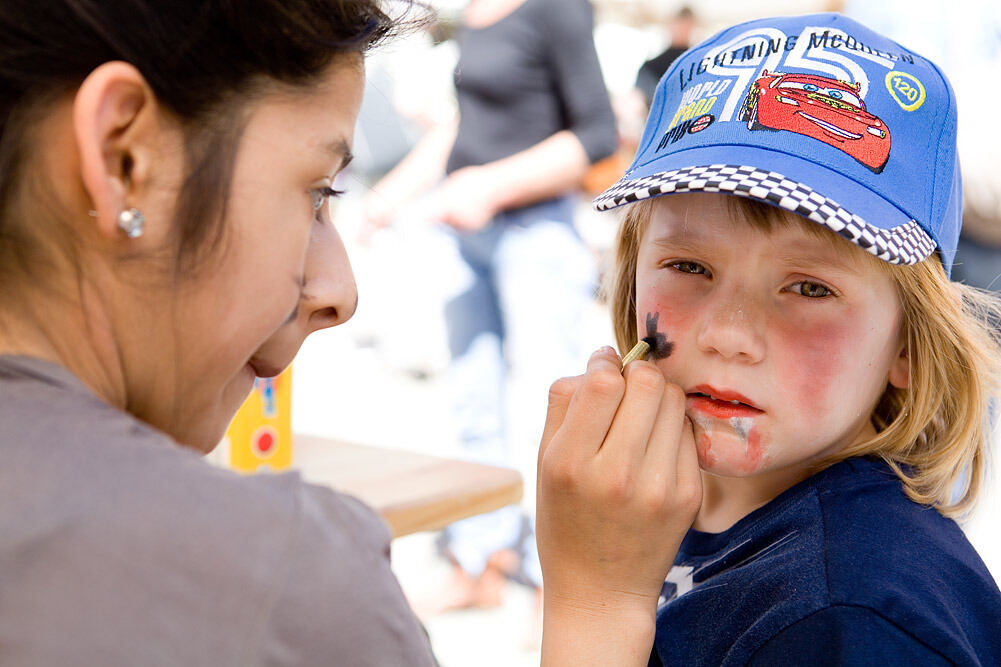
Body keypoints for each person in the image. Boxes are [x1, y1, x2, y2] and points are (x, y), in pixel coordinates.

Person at [536, 12, 1001, 666]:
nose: (728, 335)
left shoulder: (849, 619)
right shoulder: (653, 509)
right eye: (689, 267)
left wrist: (592, 603)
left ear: (909, 342)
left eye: (809, 287)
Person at [0, 1, 439, 664]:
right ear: (125, 159)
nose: (339, 293)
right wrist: (596, 606)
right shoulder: (279, 578)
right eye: (317, 193)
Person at [365, 0, 617, 610]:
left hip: (533, 234)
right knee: (472, 399)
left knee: (546, 407)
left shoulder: (556, 9)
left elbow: (596, 136)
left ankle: (550, 581)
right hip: (465, 235)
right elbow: (465, 123)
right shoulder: (475, 14)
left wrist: (489, 187)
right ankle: (481, 559)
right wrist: (391, 194)